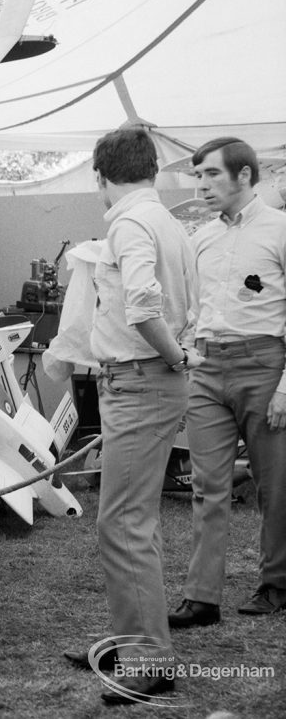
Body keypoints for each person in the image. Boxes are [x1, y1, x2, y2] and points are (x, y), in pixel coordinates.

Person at [62, 128, 202, 704]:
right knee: (132, 520)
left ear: (101, 175)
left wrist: (173, 357)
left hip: (142, 381)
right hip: (149, 382)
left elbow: (144, 304)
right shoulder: (169, 221)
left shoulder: (127, 221)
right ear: (151, 169)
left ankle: (148, 660)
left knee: (121, 524)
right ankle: (135, 640)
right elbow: (185, 303)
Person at [169, 137, 286, 628]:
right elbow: (191, 308)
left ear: (244, 176)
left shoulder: (280, 230)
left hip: (265, 366)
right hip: (207, 367)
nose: (202, 186)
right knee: (206, 485)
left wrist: (285, 387)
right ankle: (202, 598)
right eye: (198, 176)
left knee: (275, 487)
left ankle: (277, 585)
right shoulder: (199, 238)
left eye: (211, 175)